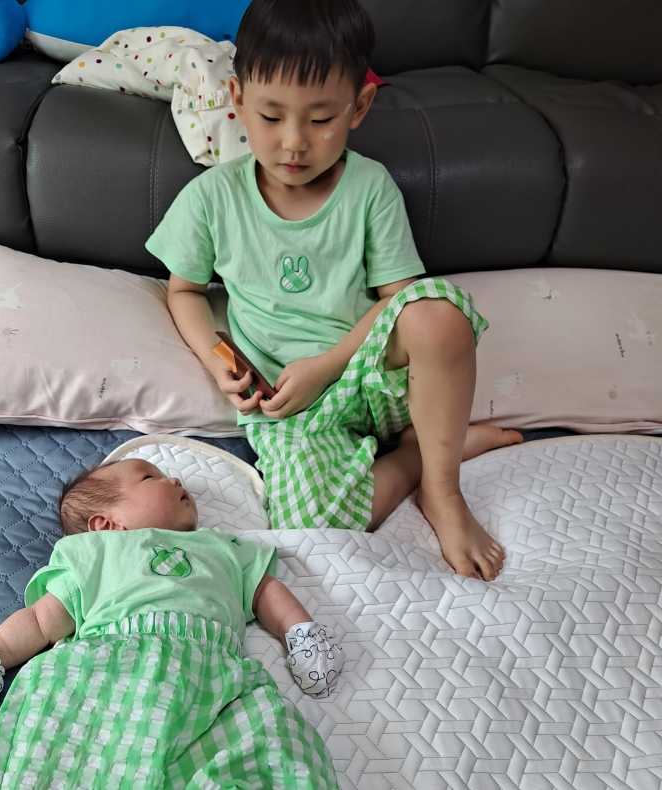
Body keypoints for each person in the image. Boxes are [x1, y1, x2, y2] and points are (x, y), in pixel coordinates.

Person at [146, 0, 523, 582]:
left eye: (321, 119)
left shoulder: (369, 187)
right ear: (237, 98)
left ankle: (443, 488)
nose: (294, 143)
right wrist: (217, 362)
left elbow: (399, 299)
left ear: (358, 107)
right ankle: (415, 457)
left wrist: (328, 365)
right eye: (271, 117)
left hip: (368, 376)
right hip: (291, 406)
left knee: (437, 315)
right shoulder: (212, 197)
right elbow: (186, 292)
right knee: (309, 521)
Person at [0, 458, 342, 789]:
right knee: (73, 751)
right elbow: (40, 620)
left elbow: (264, 591)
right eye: (150, 477)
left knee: (269, 740)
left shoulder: (223, 547)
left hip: (213, 679)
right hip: (111, 671)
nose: (175, 480)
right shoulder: (95, 554)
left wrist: (300, 632)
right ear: (105, 525)